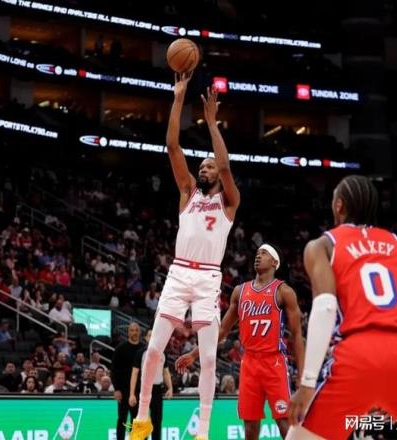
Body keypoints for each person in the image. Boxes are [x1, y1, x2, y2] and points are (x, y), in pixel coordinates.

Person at [286, 175, 397, 440]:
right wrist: (390, 384)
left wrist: (307, 384)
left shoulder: (323, 245)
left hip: (357, 357)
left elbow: (326, 307)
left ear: (339, 205)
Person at [130, 72, 240, 440]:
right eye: (202, 166)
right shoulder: (188, 192)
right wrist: (178, 98)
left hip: (208, 278)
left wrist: (212, 124)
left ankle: (203, 430)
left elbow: (226, 166)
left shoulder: (229, 202)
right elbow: (172, 146)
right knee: (153, 350)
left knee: (208, 358)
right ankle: (142, 417)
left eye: (209, 166)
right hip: (178, 275)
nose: (204, 168)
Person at [176, 244, 304, 440]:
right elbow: (222, 331)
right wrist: (194, 354)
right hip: (249, 362)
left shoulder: (283, 291)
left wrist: (303, 375)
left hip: (274, 362)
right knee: (250, 426)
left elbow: (296, 334)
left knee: (284, 421)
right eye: (257, 253)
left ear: (274, 262)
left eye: (264, 253)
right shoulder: (240, 291)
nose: (258, 256)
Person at [129, 329, 173, 440]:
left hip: (157, 390)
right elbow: (134, 373)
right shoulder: (141, 353)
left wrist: (170, 387)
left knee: (157, 421)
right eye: (149, 335)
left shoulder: (163, 353)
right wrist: (132, 394)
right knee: (142, 421)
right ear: (146, 338)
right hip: (143, 389)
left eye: (154, 335)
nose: (152, 337)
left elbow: (166, 372)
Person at [112, 322, 143, 440]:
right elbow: (114, 370)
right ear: (128, 332)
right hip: (123, 390)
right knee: (122, 419)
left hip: (139, 390)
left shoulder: (143, 349)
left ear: (140, 332)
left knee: (136, 420)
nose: (134, 332)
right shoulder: (120, 348)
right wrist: (117, 389)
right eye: (132, 330)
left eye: (136, 330)